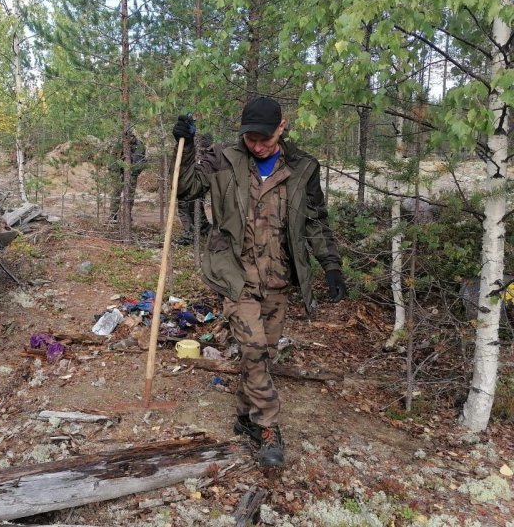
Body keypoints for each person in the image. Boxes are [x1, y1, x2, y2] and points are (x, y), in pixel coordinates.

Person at [173, 97, 346, 468]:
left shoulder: (303, 167)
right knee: (252, 349)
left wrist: (331, 265)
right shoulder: (224, 158)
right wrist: (184, 147)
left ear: (282, 127)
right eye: (250, 138)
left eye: (264, 138)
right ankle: (268, 428)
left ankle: (244, 416)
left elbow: (315, 221)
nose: (257, 146)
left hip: (279, 277)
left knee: (263, 352)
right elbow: (186, 189)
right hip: (235, 274)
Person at [176, 132, 213, 245]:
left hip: (196, 179)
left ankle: (195, 233)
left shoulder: (205, 153)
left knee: (192, 205)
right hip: (190, 179)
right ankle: (197, 231)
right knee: (187, 206)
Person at [109, 131, 146, 223]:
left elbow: (140, 160)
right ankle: (113, 214)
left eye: (129, 138)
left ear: (133, 137)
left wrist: (134, 172)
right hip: (119, 171)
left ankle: (127, 214)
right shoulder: (119, 144)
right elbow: (113, 159)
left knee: (130, 193)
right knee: (116, 192)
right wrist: (115, 173)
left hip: (132, 172)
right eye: (124, 139)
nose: (126, 140)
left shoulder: (139, 145)